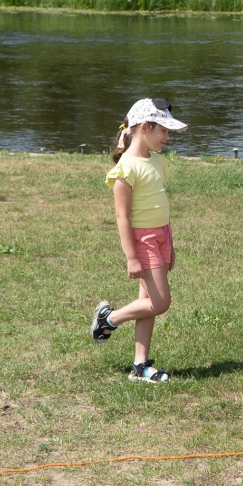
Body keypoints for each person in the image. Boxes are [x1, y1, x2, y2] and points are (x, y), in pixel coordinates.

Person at [91, 98, 187, 383]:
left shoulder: (157, 161)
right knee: (161, 302)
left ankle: (140, 365)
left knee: (148, 302)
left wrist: (170, 244)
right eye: (164, 131)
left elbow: (161, 206)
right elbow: (122, 217)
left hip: (162, 236)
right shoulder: (126, 169)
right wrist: (131, 257)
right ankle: (109, 319)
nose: (167, 137)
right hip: (143, 240)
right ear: (145, 128)